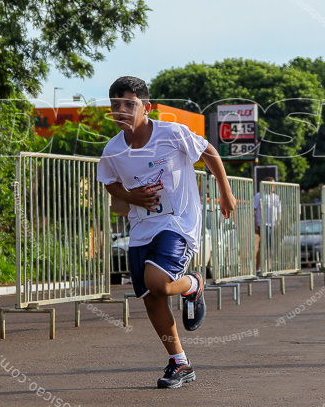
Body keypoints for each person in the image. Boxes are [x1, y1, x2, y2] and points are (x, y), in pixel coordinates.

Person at [97, 76, 236, 389]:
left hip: (179, 222)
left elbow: (209, 151)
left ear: (146, 108)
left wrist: (225, 192)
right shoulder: (113, 149)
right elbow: (109, 181)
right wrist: (132, 198)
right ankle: (180, 363)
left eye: (129, 104)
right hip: (142, 227)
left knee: (157, 282)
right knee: (149, 297)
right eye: (115, 105)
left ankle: (193, 283)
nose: (121, 110)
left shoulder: (171, 133)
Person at [253, 176, 281, 273]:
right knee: (263, 246)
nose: (272, 187)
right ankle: (258, 268)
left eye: (273, 185)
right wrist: (255, 225)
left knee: (271, 246)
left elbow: (279, 212)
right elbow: (254, 211)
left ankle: (270, 267)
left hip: (273, 225)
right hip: (263, 223)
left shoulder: (276, 197)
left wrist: (277, 224)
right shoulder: (259, 196)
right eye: (270, 185)